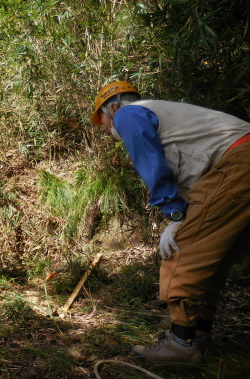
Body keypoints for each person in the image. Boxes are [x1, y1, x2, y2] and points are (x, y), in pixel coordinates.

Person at [92, 81, 250, 363]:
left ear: (112, 107)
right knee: (210, 258)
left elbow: (151, 163)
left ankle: (181, 343)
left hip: (238, 163)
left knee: (183, 251)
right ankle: (198, 335)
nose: (103, 130)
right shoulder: (168, 119)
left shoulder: (128, 115)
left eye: (101, 121)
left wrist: (174, 215)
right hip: (238, 164)